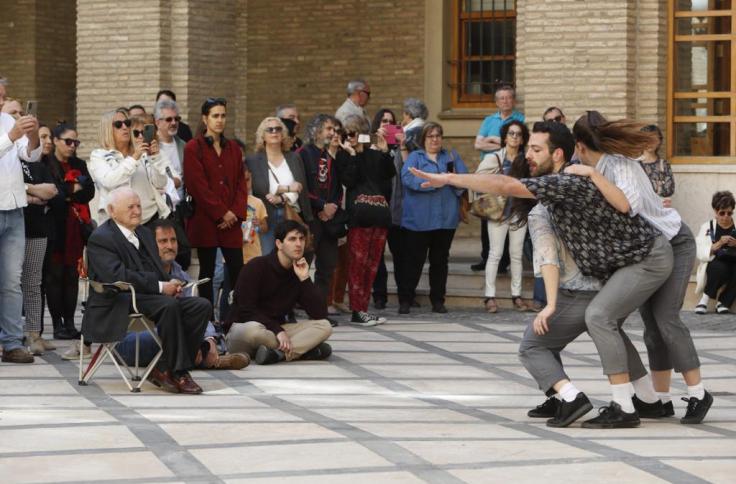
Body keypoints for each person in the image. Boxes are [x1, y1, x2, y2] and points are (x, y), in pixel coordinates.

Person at [410, 121, 678, 428]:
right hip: (628, 261)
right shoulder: (565, 181)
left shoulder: (565, 183)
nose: (528, 155)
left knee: (569, 331)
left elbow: (512, 195)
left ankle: (598, 403)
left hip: (646, 258)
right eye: (527, 149)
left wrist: (448, 178)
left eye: (536, 149)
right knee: (603, 323)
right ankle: (646, 400)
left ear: (559, 153)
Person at [571, 111, 712, 425]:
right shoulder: (593, 164)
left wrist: (593, 177)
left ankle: (699, 393)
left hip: (674, 242)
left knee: (666, 319)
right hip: (646, 251)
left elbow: (625, 206)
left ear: (580, 145)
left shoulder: (622, 167)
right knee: (650, 325)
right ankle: (658, 400)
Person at [83, 187, 210, 394]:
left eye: (139, 206)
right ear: (112, 210)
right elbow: (117, 275)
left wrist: (172, 282)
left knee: (200, 305)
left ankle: (162, 367)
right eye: (130, 207)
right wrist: (161, 286)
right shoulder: (101, 237)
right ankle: (179, 372)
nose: (137, 211)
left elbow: (156, 269)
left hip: (149, 296)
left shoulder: (144, 232)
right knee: (169, 305)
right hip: (117, 299)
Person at [114, 218, 250, 370]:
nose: (170, 246)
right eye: (163, 241)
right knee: (176, 333)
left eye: (173, 240)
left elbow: (197, 314)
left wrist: (210, 339)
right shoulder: (140, 272)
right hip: (132, 339)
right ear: (150, 245)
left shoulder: (180, 274)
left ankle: (203, 354)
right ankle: (210, 360)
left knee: (200, 323)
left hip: (167, 337)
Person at [225, 220, 333, 365]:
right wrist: (278, 331)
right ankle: (303, 350)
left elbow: (319, 314)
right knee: (255, 330)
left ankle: (278, 354)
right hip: (244, 330)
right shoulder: (256, 266)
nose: (299, 244)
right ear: (279, 244)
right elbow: (246, 310)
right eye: (292, 239)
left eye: (301, 239)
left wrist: (305, 279)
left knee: (324, 326)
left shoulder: (298, 272)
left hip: (274, 332)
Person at [183, 97, 247, 311]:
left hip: (232, 222)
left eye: (223, 115)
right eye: (215, 116)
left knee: (238, 270)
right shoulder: (193, 148)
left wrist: (234, 214)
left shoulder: (234, 149)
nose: (220, 120)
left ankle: (237, 316)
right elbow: (197, 186)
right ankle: (207, 319)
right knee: (207, 272)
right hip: (206, 220)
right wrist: (221, 213)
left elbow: (241, 183)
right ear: (205, 118)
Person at [399, 122, 468, 314]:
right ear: (423, 139)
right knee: (414, 261)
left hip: (446, 220)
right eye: (430, 136)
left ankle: (438, 300)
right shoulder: (415, 157)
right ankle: (406, 299)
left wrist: (453, 180)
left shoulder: (451, 157)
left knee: (440, 262)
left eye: (438, 135)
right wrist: (432, 183)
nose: (435, 139)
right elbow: (407, 178)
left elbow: (464, 180)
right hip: (419, 221)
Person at [339, 114, 395, 326]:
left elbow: (389, 174)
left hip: (378, 215)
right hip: (359, 218)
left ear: (362, 134)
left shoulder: (374, 155)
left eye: (353, 134)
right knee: (357, 265)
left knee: (372, 265)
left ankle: (363, 308)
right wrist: (353, 154)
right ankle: (356, 310)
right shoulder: (345, 156)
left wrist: (385, 151)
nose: (349, 138)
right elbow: (348, 180)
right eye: (346, 134)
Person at [44, 123, 95, 342]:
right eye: (68, 141)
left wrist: (68, 192)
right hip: (55, 226)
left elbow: (89, 191)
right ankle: (57, 324)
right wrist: (72, 190)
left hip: (75, 228)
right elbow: (53, 194)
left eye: (76, 142)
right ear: (55, 140)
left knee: (72, 276)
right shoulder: (46, 163)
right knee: (55, 276)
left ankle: (70, 323)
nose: (72, 146)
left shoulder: (79, 164)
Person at [0, 99, 41, 364]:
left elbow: (30, 155)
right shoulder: (8, 128)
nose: (3, 101)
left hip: (14, 209)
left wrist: (33, 134)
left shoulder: (7, 122)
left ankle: (12, 343)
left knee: (12, 281)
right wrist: (11, 137)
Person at [477, 120, 531, 313]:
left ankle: (516, 295)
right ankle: (489, 297)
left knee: (516, 255)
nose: (514, 137)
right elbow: (479, 179)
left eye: (518, 134)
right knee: (495, 254)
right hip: (498, 212)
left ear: (523, 138)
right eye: (511, 133)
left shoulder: (527, 159)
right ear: (505, 137)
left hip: (518, 212)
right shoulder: (495, 158)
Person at [471, 85, 525, 272]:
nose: (505, 101)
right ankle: (486, 258)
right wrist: (498, 141)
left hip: (510, 175)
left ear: (513, 100)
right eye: (501, 98)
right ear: (496, 102)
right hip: (490, 175)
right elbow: (477, 144)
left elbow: (519, 144)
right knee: (489, 214)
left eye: (508, 98)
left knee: (509, 218)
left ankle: (504, 262)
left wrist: (493, 140)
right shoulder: (489, 120)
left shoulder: (520, 119)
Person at [87, 108, 170, 225]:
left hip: (150, 220)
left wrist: (155, 158)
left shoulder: (141, 151)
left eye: (127, 123)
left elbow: (160, 183)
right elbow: (109, 181)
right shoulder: (99, 155)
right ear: (107, 129)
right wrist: (134, 158)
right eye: (118, 124)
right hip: (118, 225)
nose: (125, 127)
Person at [246, 116, 312, 256]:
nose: (274, 132)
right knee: (267, 258)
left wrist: (282, 197)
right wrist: (288, 188)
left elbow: (301, 187)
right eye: (269, 130)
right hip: (265, 217)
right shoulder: (253, 160)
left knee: (292, 258)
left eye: (278, 129)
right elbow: (261, 188)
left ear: (283, 134)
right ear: (262, 136)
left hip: (291, 215)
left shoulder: (294, 158)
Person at [21, 131, 60, 355]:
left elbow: (51, 191)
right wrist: (32, 191)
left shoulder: (38, 163)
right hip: (15, 227)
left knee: (33, 282)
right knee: (9, 282)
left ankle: (34, 333)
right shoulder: (8, 159)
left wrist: (27, 190)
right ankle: (12, 332)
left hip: (38, 229)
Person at [300, 114, 344, 301]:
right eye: (329, 129)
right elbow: (302, 185)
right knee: (304, 262)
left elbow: (337, 186)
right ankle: (295, 304)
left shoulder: (330, 156)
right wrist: (321, 206)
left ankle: (319, 309)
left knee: (327, 265)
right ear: (316, 131)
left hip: (329, 220)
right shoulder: (302, 154)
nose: (333, 133)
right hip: (311, 218)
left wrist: (332, 207)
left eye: (334, 129)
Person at [370, 108, 399, 309]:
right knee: (377, 255)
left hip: (397, 207)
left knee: (400, 252)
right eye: (383, 121)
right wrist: (379, 148)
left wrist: (400, 145)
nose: (386, 125)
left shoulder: (401, 147)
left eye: (390, 122)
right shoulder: (370, 147)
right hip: (376, 206)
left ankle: (406, 294)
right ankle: (380, 295)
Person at [694, 191, 736, 315]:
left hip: (734, 263)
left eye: (729, 213)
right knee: (719, 267)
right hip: (715, 263)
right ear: (715, 211)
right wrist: (718, 244)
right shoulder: (707, 227)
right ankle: (704, 299)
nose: (726, 216)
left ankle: (723, 303)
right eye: (722, 213)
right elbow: (700, 251)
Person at [638, 124, 674, 208]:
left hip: (661, 210)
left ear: (659, 141)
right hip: (641, 210)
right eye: (646, 139)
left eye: (653, 139)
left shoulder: (664, 164)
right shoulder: (635, 164)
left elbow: (669, 190)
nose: (649, 143)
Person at [242, 168, 268, 264]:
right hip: (232, 256)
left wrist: (258, 225)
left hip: (253, 255)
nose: (245, 184)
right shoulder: (228, 202)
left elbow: (265, 228)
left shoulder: (257, 202)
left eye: (248, 180)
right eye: (241, 180)